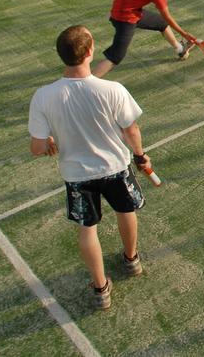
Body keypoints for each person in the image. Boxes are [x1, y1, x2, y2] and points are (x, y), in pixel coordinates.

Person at [28, 25, 152, 310]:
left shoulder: (43, 96)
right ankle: (131, 260)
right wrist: (141, 155)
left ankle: (100, 288)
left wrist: (47, 142)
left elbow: (36, 148)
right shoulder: (112, 89)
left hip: (76, 176)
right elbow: (131, 130)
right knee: (126, 211)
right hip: (115, 168)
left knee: (88, 230)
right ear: (89, 51)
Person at [92, 0, 194, 78]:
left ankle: (180, 50)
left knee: (161, 23)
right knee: (115, 57)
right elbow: (167, 16)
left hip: (127, 11)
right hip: (125, 19)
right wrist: (184, 34)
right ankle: (85, 84)